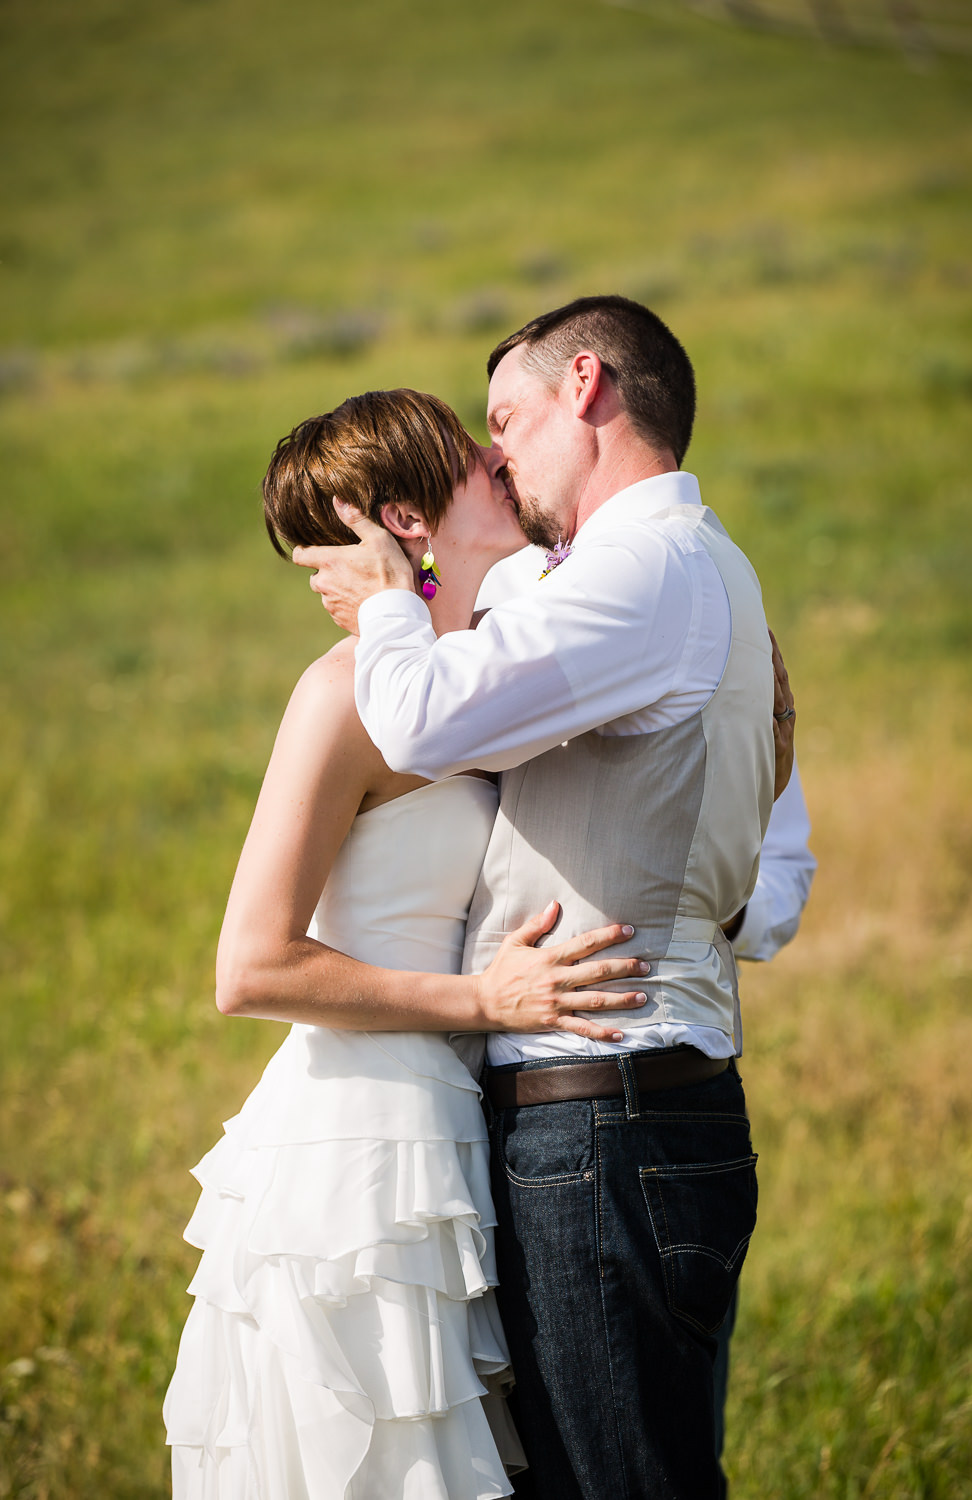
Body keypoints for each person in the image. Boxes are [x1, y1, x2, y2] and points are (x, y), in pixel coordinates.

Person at [293, 295, 792, 1499]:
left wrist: (385, 607)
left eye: (506, 416)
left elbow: (413, 709)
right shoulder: (695, 568)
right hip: (636, 1109)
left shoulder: (644, 571)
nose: (497, 451)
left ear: (584, 387)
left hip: (602, 1117)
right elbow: (774, 883)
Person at [162, 388, 653, 1498]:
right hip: (363, 1165)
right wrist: (489, 1002)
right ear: (405, 519)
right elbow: (252, 967)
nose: (497, 458)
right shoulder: (340, 697)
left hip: (468, 1130)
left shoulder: (486, 676)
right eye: (468, 456)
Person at [476, 547, 817, 1479]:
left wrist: (688, 880)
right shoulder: (494, 616)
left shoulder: (703, 619)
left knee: (650, 1457)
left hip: (633, 1099)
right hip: (479, 1115)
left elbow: (782, 877)